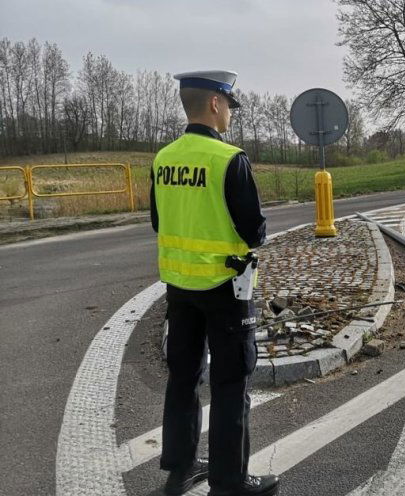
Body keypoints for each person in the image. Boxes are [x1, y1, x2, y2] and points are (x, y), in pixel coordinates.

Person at [150, 70, 279, 496]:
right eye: (229, 106)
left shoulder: (163, 159)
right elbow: (254, 231)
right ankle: (229, 481)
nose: (230, 115)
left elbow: (158, 222)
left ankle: (180, 468)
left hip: (178, 288)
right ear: (214, 104)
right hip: (225, 288)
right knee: (230, 383)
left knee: (182, 377)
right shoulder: (229, 159)